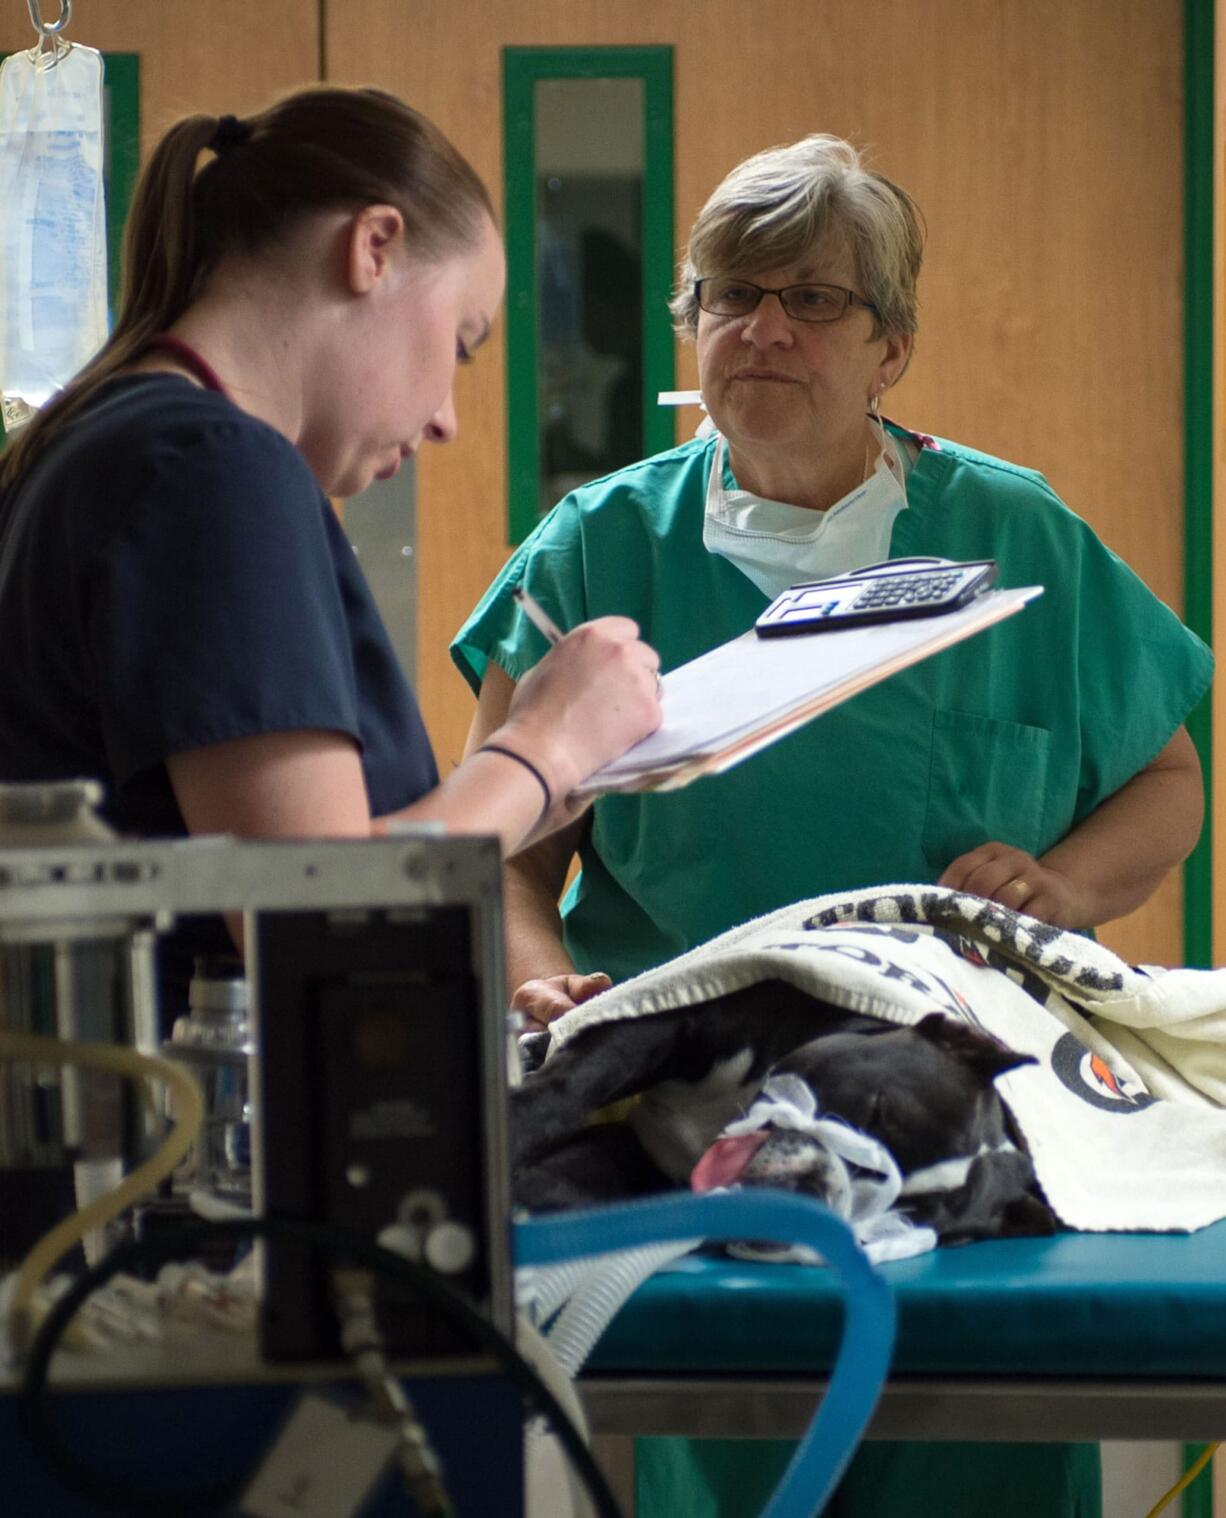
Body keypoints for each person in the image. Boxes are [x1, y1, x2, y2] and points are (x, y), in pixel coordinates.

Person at [452, 135, 1213, 1517]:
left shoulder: (1015, 539)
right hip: (686, 1116)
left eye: (811, 299)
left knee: (970, 1464)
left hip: (964, 1108)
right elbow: (505, 849)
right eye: (729, 295)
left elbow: (1168, 785)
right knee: (716, 1466)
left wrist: (1057, 879)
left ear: (891, 349)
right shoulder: (591, 553)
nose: (761, 328)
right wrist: (531, 982)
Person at [0, 86, 662, 1013]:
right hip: (175, 1138)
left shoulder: (112, 439)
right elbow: (311, 918)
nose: (445, 418)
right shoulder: (213, 467)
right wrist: (543, 746)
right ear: (374, 248)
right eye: (462, 345)